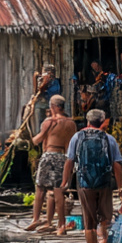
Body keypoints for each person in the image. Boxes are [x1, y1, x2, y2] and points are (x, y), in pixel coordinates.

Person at [61, 109, 122, 243]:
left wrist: (65, 182)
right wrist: (121, 186)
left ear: (87, 121)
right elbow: (117, 164)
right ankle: (103, 239)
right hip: (105, 183)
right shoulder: (109, 139)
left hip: (85, 183)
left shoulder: (77, 137)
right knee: (105, 217)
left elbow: (69, 161)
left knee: (89, 222)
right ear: (102, 122)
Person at [24, 95, 76, 233]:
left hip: (49, 155)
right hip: (63, 157)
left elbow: (37, 140)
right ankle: (61, 224)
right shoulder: (71, 123)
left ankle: (35, 219)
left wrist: (28, 138)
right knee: (58, 190)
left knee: (40, 188)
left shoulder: (50, 121)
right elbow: (70, 144)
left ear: (53, 107)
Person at [32, 62, 62, 130]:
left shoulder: (55, 82)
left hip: (51, 105)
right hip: (44, 104)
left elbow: (41, 90)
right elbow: (36, 92)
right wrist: (35, 78)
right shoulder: (45, 81)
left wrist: (44, 81)